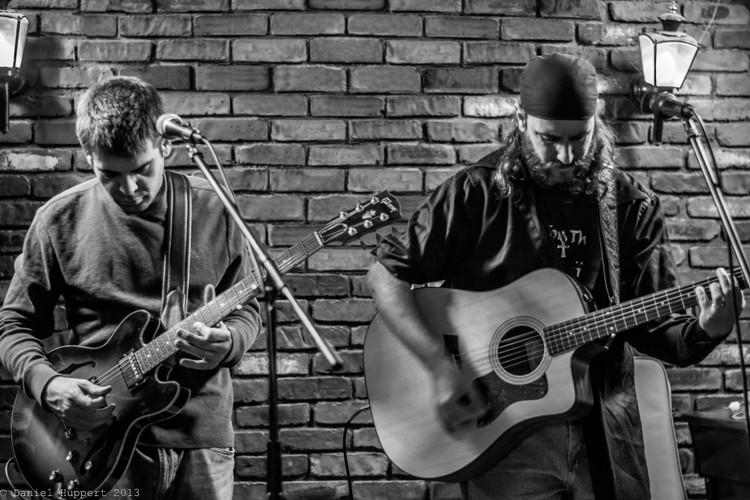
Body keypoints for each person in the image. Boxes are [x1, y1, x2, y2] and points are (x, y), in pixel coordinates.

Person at [366, 53, 745, 499]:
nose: (565, 155)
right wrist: (438, 367)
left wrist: (707, 329)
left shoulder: (631, 206)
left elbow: (653, 329)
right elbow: (385, 276)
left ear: (596, 123)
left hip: (605, 429)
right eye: (550, 139)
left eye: (578, 138)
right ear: (521, 120)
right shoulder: (474, 194)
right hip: (500, 433)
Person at [0, 76, 261, 499]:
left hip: (201, 438)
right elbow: (13, 323)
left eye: (142, 170)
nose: (130, 189)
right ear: (88, 155)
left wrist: (230, 341)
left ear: (165, 147)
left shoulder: (216, 211)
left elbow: (246, 308)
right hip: (94, 441)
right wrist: (48, 384)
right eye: (110, 175)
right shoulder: (58, 221)